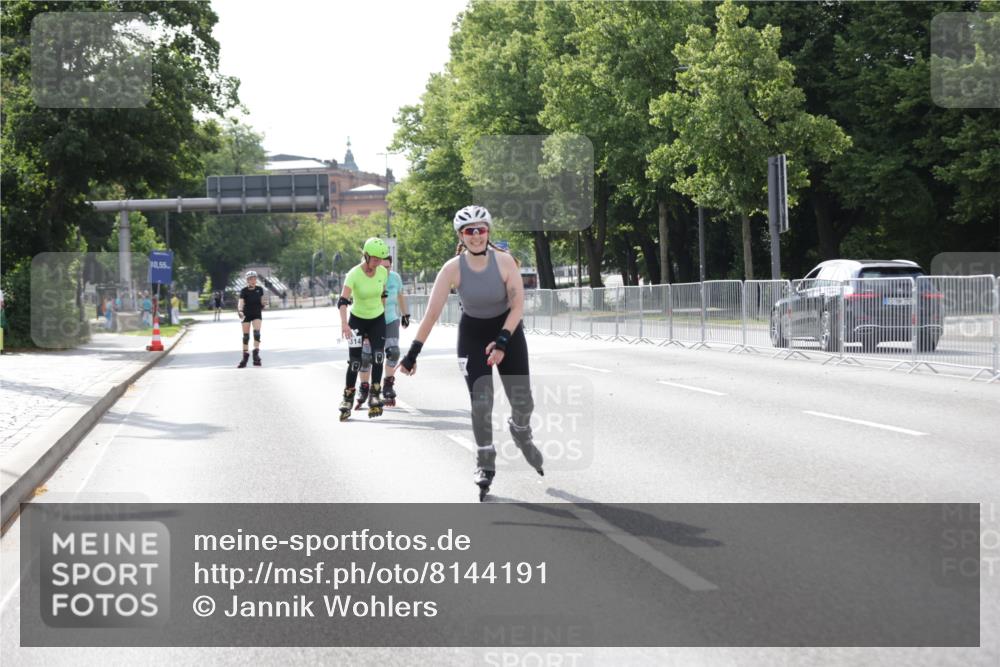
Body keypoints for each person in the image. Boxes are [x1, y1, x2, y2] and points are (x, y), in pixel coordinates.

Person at [399, 205, 543, 501]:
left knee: (523, 400)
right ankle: (484, 461)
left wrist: (502, 341)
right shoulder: (452, 269)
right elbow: (431, 315)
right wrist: (413, 353)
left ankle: (520, 428)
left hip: (508, 331)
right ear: (460, 236)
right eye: (469, 231)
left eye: (481, 230)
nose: (476, 236)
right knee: (481, 401)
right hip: (473, 335)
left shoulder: (504, 262)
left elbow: (517, 306)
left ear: (488, 232)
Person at [337, 238, 390, 421]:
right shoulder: (353, 274)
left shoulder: (382, 272)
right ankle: (348, 397)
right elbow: (342, 301)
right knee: (355, 361)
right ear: (366, 255)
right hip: (357, 321)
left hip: (377, 319)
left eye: (380, 260)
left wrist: (382, 311)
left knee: (378, 356)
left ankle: (375, 394)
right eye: (374, 259)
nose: (377, 263)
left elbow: (383, 293)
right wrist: (345, 324)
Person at [355, 253, 410, 409]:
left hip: (390, 320)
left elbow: (400, 295)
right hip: (369, 322)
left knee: (393, 352)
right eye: (381, 267)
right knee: (366, 358)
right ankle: (364, 388)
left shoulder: (395, 278)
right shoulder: (368, 277)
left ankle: (387, 385)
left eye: (388, 267)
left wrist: (405, 314)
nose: (385, 271)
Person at [237, 271, 265, 368]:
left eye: (254, 278)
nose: (253, 280)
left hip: (257, 313)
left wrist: (264, 304)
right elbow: (240, 302)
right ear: (247, 280)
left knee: (257, 333)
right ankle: (245, 357)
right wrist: (240, 311)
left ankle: (256, 353)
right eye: (250, 279)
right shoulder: (243, 291)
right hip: (246, 314)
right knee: (246, 337)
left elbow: (262, 301)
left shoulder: (260, 289)